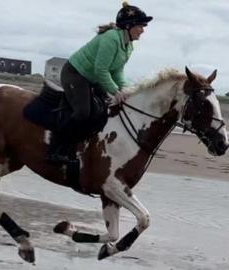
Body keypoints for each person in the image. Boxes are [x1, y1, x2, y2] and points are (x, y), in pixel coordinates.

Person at [47, 1, 153, 163]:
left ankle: (86, 146)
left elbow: (116, 71)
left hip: (93, 78)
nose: (143, 30)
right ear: (128, 26)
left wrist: (126, 90)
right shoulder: (111, 39)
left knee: (104, 110)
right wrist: (115, 91)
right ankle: (55, 147)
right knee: (83, 112)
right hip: (75, 74)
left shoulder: (128, 45)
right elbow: (101, 70)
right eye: (140, 25)